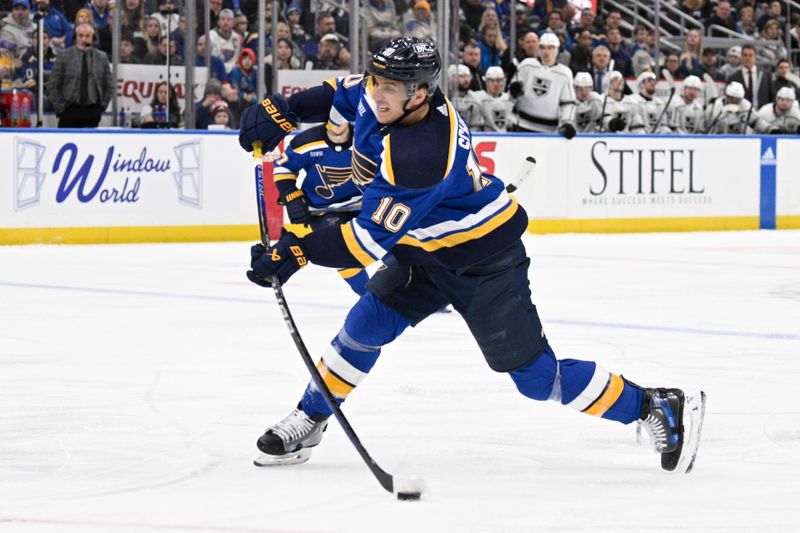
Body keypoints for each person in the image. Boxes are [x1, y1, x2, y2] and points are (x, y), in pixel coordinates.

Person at [237, 36, 706, 473]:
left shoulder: (420, 153)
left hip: (483, 261)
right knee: (362, 328)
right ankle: (311, 417)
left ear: (420, 95)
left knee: (537, 379)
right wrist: (283, 110)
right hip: (421, 252)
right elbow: (339, 92)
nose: (378, 95)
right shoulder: (380, 92)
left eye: (392, 89)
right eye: (377, 82)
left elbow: (361, 241)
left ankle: (652, 405)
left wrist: (294, 252)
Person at [271, 121, 368, 294]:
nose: (337, 122)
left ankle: (415, 291)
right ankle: (370, 296)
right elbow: (284, 168)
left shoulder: (367, 137)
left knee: (396, 243)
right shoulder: (306, 141)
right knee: (339, 250)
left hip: (366, 203)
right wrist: (291, 194)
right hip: (324, 210)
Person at [509, 32, 576, 138]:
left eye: (551, 48)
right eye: (543, 47)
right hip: (520, 124)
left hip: (548, 130)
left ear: (557, 50)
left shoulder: (564, 73)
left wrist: (567, 122)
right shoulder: (526, 65)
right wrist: (513, 90)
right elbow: (511, 95)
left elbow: (568, 103)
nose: (546, 51)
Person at [47, 23, 113, 128]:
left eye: (87, 36)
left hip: (92, 112)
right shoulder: (64, 56)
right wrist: (60, 108)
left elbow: (109, 85)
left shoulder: (102, 57)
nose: (84, 40)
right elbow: (53, 85)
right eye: (80, 36)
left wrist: (101, 108)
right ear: (75, 37)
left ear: (93, 38)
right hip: (69, 110)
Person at [728, 44, 776, 109]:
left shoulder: (766, 75)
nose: (747, 58)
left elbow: (772, 96)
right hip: (742, 114)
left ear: (755, 57)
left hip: (762, 114)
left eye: (750, 55)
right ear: (741, 57)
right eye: (745, 55)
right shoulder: (733, 78)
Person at [480, 65, 514, 131]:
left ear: (503, 82)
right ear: (486, 82)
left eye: (498, 80)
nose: (495, 84)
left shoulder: (510, 99)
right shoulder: (478, 99)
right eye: (492, 81)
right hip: (486, 138)